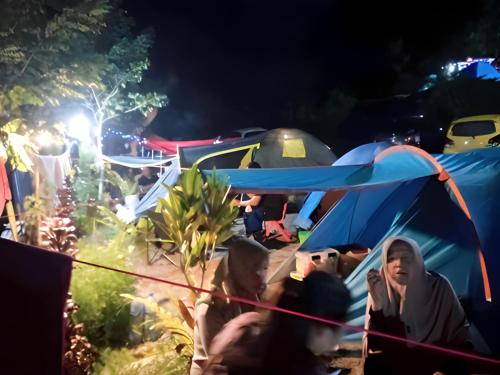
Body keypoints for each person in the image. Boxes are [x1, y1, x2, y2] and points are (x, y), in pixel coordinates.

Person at [205, 270, 352, 374]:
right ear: (321, 330)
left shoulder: (248, 338)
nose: (340, 336)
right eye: (339, 327)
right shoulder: (302, 368)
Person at [363, 236, 473, 375]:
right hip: (398, 359)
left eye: (406, 258)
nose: (399, 263)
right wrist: (378, 304)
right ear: (384, 262)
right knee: (374, 365)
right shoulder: (379, 285)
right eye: (391, 259)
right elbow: (375, 345)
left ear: (417, 261)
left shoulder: (438, 286)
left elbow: (461, 336)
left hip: (435, 358)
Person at [190, 237, 269, 375]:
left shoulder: (256, 293)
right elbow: (221, 358)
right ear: (239, 269)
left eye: (264, 268)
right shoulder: (210, 309)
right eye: (254, 268)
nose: (261, 276)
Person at [232, 162, 264, 238]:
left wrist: (239, 202)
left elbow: (255, 201)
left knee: (249, 210)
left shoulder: (261, 182)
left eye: (248, 172)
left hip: (263, 209)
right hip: (248, 208)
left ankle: (253, 234)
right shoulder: (249, 182)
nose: (247, 174)